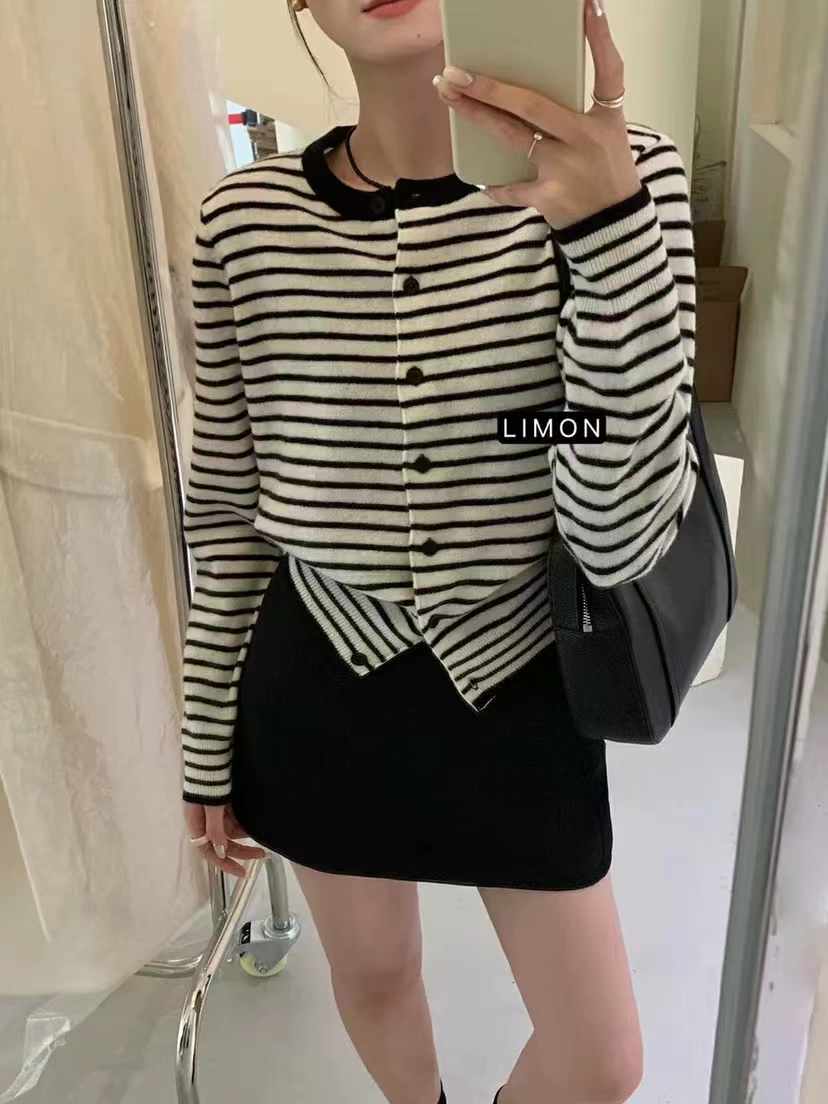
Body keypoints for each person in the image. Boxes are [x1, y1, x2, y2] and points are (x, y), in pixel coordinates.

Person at [181, 2, 699, 1102]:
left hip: (523, 678)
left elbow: (618, 526)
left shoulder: (621, 176)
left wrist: (608, 237)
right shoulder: (246, 221)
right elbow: (226, 506)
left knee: (600, 1060)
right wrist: (204, 733)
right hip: (318, 681)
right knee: (374, 975)